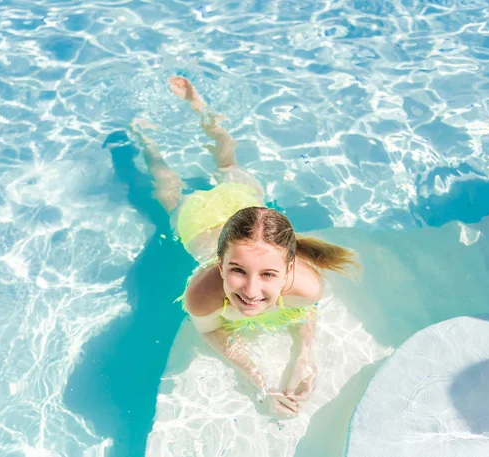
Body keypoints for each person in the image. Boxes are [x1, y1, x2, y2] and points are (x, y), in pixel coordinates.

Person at [130, 76, 359, 417]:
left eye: (268, 273)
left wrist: (302, 360)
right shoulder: (201, 295)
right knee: (173, 187)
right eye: (237, 270)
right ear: (219, 266)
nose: (251, 291)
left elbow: (303, 314)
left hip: (241, 203)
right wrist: (260, 384)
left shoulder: (309, 286)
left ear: (288, 270)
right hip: (197, 220)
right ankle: (147, 137)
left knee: (224, 162)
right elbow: (213, 334)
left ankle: (197, 105)